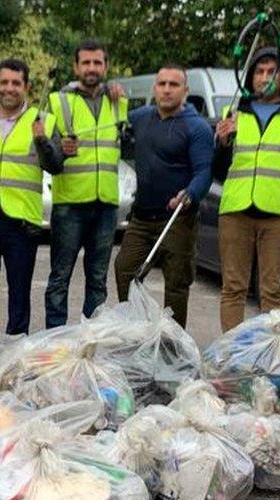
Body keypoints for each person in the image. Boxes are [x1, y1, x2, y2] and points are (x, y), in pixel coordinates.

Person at [213, 48, 280, 332]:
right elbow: (219, 171)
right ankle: (232, 355)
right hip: (236, 211)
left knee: (274, 291)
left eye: (272, 71)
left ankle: (271, 355)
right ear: (250, 78)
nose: (264, 78)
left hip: (279, 215)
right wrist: (222, 143)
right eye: (259, 72)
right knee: (232, 288)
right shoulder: (233, 113)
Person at [0, 58, 64, 335]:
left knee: (19, 297)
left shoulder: (43, 121)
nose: (9, 88)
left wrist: (42, 141)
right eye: (4, 82)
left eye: (16, 83)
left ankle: (15, 352)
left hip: (22, 223)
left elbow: (56, 165)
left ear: (27, 87)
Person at [113, 64, 214, 327]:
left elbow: (204, 173)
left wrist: (190, 194)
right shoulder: (141, 117)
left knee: (177, 285)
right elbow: (111, 116)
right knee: (125, 269)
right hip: (142, 218)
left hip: (177, 219)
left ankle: (174, 347)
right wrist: (110, 91)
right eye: (162, 84)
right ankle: (134, 330)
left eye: (174, 84)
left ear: (185, 91)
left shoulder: (197, 127)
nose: (167, 89)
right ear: (154, 88)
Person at [45, 39, 128, 328]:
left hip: (105, 205)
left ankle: (93, 343)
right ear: (76, 66)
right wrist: (59, 151)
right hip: (69, 204)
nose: (91, 68)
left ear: (105, 66)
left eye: (97, 63)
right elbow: (46, 155)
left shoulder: (120, 101)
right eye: (86, 63)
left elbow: (127, 143)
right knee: (60, 277)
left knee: (97, 280)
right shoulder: (58, 101)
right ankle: (55, 339)